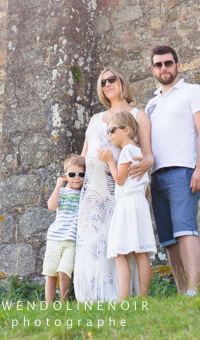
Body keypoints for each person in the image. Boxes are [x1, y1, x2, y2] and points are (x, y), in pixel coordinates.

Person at [130, 46, 200, 297]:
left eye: (168, 63)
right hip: (156, 177)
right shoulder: (152, 104)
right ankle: (181, 291)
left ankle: (194, 291)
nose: (163, 68)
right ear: (152, 70)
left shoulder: (193, 92)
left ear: (178, 65)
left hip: (183, 172)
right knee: (168, 239)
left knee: (186, 230)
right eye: (158, 65)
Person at [73, 67, 153, 302]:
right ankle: (91, 298)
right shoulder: (96, 119)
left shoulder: (137, 115)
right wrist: (68, 178)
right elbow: (83, 157)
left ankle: (122, 296)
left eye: (112, 79)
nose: (107, 84)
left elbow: (148, 156)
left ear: (122, 81)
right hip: (92, 194)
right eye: (103, 82)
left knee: (121, 246)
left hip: (118, 194)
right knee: (92, 245)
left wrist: (142, 185)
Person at [98, 111, 156, 299]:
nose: (110, 135)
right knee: (140, 251)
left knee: (119, 252)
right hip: (139, 202)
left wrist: (109, 161)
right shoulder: (137, 151)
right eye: (108, 131)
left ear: (127, 130)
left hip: (127, 203)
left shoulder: (126, 151)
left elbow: (120, 179)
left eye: (113, 130)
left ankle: (124, 297)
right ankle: (142, 296)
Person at [42, 154, 86, 303]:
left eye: (81, 174)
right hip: (55, 238)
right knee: (50, 273)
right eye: (72, 174)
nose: (77, 178)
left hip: (71, 239)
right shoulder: (61, 191)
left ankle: (63, 302)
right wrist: (57, 186)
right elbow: (51, 206)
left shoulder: (84, 194)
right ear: (66, 176)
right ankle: (48, 305)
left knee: (64, 272)